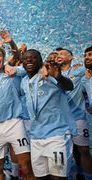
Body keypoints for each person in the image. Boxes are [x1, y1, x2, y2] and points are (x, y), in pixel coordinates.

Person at [21, 49, 76, 179]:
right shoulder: (23, 81)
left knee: (58, 177)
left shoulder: (50, 75)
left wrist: (59, 77)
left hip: (57, 136)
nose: (29, 60)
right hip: (35, 138)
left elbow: (69, 86)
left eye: (33, 58)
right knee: (41, 178)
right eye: (26, 58)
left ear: (40, 61)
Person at [0, 47, 34, 180]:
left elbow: (29, 70)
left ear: (4, 58)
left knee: (26, 165)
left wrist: (16, 68)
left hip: (15, 123)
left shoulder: (14, 72)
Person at [55, 47, 92, 179]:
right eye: (57, 54)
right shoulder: (52, 73)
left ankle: (87, 176)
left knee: (83, 150)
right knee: (64, 152)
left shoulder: (79, 70)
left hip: (77, 117)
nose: (58, 55)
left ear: (70, 57)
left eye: (62, 53)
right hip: (60, 121)